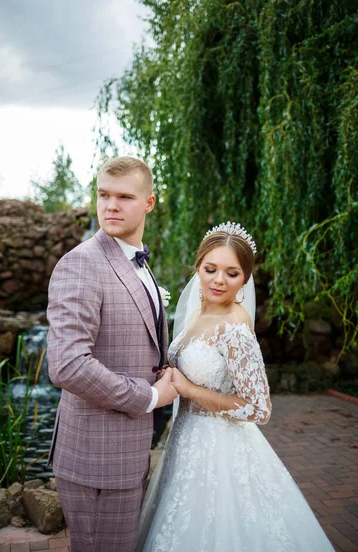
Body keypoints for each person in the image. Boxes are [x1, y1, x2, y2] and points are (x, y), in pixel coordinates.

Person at [136, 222, 335, 551]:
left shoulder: (235, 326)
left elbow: (260, 408)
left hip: (219, 449)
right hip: (183, 441)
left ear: (245, 278)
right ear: (198, 266)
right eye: (210, 269)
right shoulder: (197, 312)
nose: (218, 280)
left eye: (232, 273)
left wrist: (189, 389)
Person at [46, 156, 178, 552]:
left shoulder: (138, 264)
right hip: (95, 458)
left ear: (149, 203)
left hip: (129, 451)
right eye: (104, 195)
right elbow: (68, 365)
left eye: (124, 197)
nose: (111, 206)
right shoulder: (82, 263)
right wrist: (151, 397)